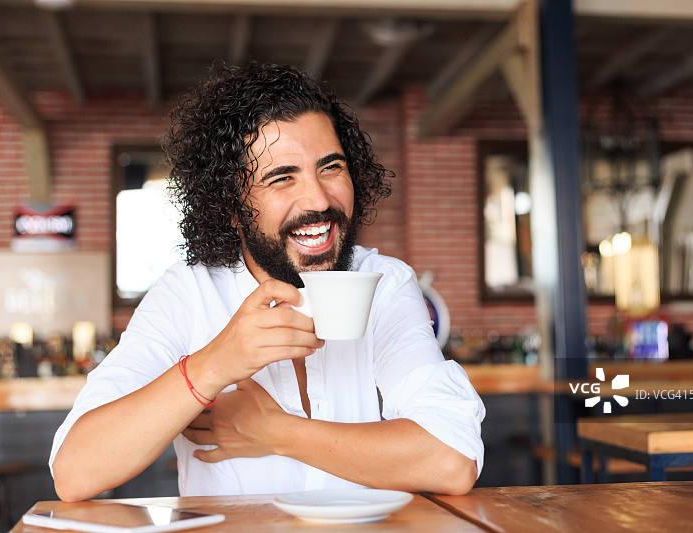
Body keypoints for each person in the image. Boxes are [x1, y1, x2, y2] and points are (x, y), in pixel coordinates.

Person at [50, 62, 485, 501]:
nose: (318, 199)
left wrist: (276, 432)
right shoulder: (189, 292)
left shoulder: (384, 284)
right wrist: (216, 362)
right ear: (233, 209)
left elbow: (451, 459)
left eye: (331, 168)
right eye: (282, 178)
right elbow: (74, 472)